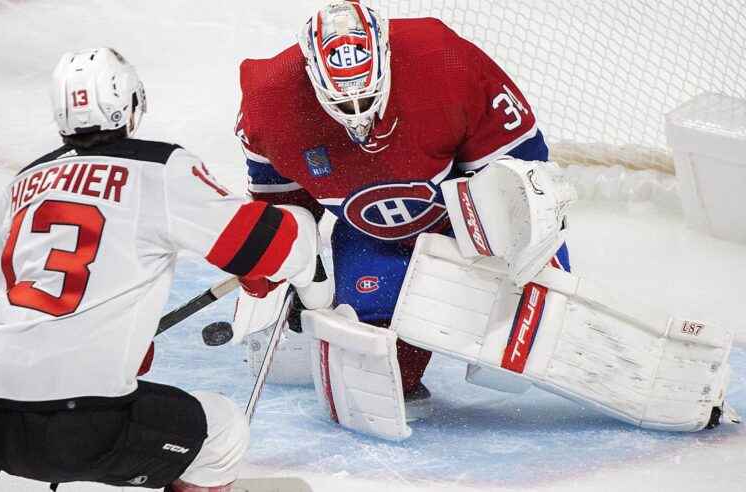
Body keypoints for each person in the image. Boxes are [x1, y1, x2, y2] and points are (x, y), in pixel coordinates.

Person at [0, 48, 321, 492]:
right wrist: (301, 231)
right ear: (133, 103)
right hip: (78, 424)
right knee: (221, 432)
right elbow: (269, 244)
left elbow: (11, 299)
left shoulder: (20, 183)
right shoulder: (157, 168)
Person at [236, 0, 569, 421]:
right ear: (310, 77)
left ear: (387, 60)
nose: (358, 117)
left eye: (368, 96)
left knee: (514, 349)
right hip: (368, 232)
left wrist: (526, 258)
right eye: (341, 103)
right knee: (376, 366)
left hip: (460, 218)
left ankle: (526, 312)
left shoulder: (447, 61)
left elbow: (527, 180)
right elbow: (282, 212)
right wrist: (291, 271)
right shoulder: (270, 102)